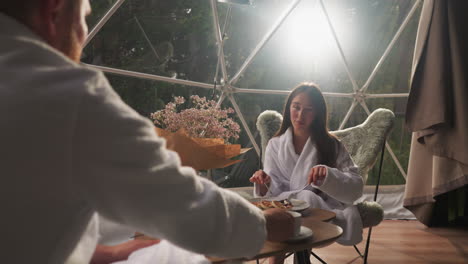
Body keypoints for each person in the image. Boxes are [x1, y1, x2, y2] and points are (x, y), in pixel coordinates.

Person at [0, 1, 294, 263]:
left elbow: (30, 219)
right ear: (54, 10)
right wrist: (263, 224)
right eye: (84, 17)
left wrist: (101, 253)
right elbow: (183, 205)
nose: (83, 37)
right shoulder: (65, 95)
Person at [250, 83, 364, 263]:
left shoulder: (331, 144)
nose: (300, 115)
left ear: (318, 114)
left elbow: (356, 185)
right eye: (296, 107)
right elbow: (274, 190)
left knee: (305, 200)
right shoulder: (275, 144)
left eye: (308, 110)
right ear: (289, 108)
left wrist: (328, 176)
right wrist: (265, 182)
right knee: (278, 217)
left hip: (318, 208)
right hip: (284, 207)